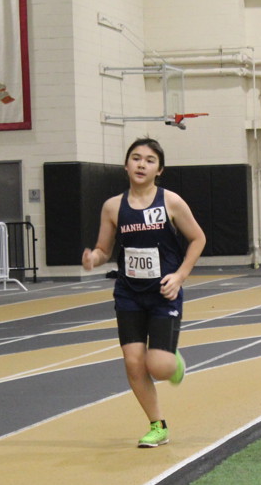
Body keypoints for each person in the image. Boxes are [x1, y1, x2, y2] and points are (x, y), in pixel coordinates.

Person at [82, 138, 206, 448]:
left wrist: (180, 276)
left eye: (149, 160)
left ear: (159, 170)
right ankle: (157, 425)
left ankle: (171, 360)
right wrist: (93, 258)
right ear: (126, 165)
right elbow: (104, 249)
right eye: (136, 158)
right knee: (133, 362)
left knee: (159, 367)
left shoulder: (170, 202)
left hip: (164, 292)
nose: (141, 164)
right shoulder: (113, 206)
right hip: (129, 293)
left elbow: (198, 239)